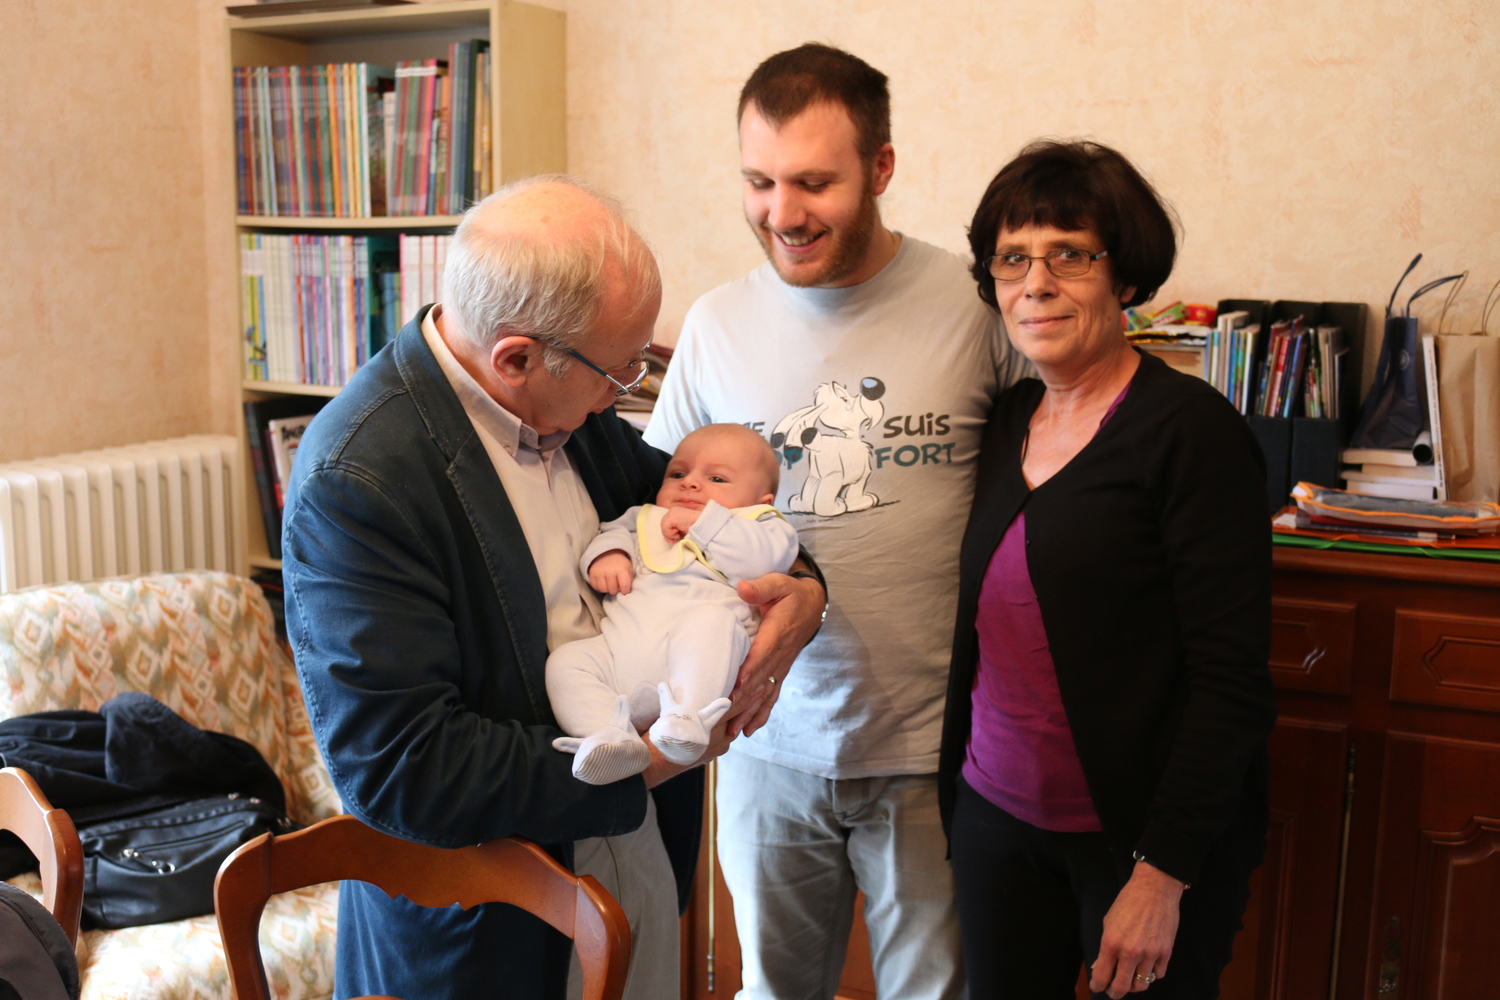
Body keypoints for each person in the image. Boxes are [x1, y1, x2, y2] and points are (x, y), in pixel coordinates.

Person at [281, 177, 826, 1000]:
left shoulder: (570, 407)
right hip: (484, 924)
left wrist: (805, 596)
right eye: (623, 368)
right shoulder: (359, 478)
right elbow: (403, 767)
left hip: (631, 858)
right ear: (517, 358)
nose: (628, 390)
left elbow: (719, 517)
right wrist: (648, 763)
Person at [646, 44, 1028, 1000]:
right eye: (760, 182)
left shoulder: (976, 306)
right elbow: (661, 515)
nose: (783, 212)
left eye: (814, 183)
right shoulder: (715, 324)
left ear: (881, 168)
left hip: (935, 747)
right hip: (762, 745)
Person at [937, 139, 1277, 1000]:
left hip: (1136, 843)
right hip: (994, 821)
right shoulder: (1007, 419)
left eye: (1070, 255)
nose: (1035, 283)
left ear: (1124, 276)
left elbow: (1231, 680)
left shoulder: (1191, 433)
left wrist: (1162, 874)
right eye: (1013, 258)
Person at [548, 424, 798, 784]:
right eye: (678, 474)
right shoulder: (643, 517)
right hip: (618, 654)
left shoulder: (763, 527)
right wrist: (609, 556)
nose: (690, 483)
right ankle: (607, 736)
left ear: (762, 501)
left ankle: (686, 719)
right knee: (566, 661)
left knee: (712, 621)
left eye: (716, 478)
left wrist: (704, 524)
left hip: (696, 668)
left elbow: (764, 561)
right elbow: (611, 533)